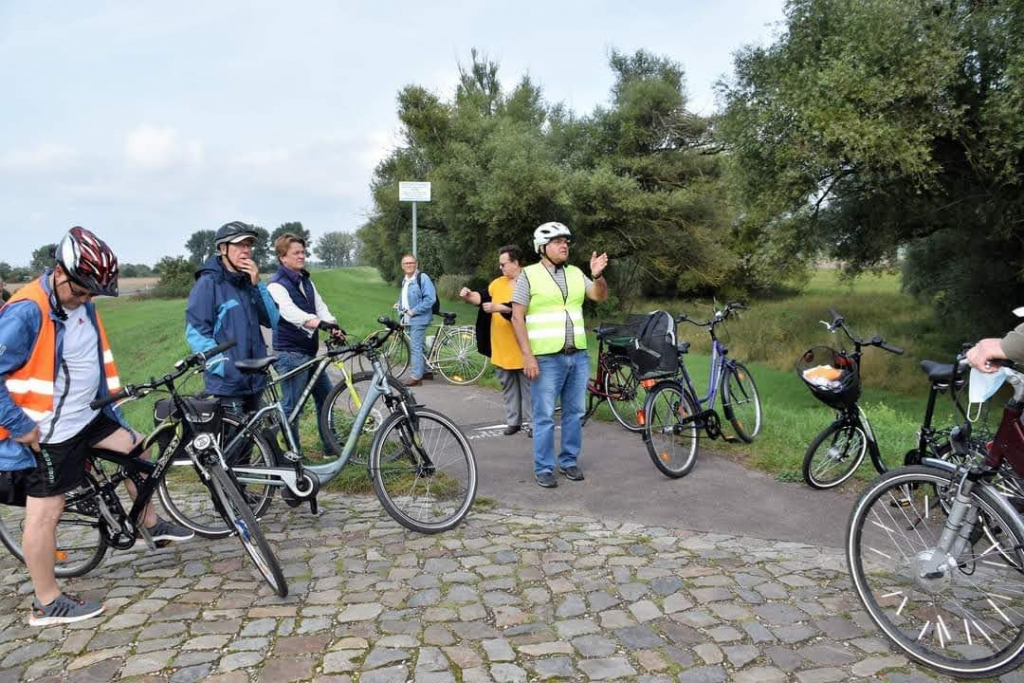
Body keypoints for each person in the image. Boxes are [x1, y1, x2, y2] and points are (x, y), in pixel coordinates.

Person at [0, 227, 193, 626]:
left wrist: (113, 407)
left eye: (94, 293)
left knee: (138, 447)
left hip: (88, 415)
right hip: (49, 430)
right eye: (81, 291)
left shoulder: (81, 304)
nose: (87, 299)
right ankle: (46, 602)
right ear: (59, 272)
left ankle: (149, 523)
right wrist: (19, 425)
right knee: (46, 512)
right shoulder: (26, 311)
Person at [511, 222, 608, 488]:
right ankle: (543, 467)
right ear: (542, 247)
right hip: (545, 358)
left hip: (577, 355)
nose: (564, 245)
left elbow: (599, 295)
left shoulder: (576, 273)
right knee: (544, 415)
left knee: (574, 413)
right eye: (557, 242)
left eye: (565, 241)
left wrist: (598, 276)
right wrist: (527, 356)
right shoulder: (528, 275)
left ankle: (568, 461)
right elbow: (517, 317)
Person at [186, 222, 279, 418]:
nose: (246, 250)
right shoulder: (208, 283)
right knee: (232, 436)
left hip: (255, 379)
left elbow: (273, 320)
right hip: (228, 383)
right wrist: (223, 366)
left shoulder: (248, 281)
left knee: (257, 435)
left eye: (249, 245)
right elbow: (196, 331)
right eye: (239, 245)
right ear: (223, 249)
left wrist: (258, 284)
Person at [267, 233, 345, 451]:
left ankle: (330, 447)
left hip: (309, 354)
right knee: (292, 407)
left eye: (303, 252)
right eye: (296, 253)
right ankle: (290, 455)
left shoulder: (306, 281)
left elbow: (320, 307)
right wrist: (320, 324)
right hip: (290, 354)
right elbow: (290, 312)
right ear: (283, 257)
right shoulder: (276, 285)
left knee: (326, 398)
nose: (302, 256)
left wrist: (333, 325)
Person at [460, 245, 531, 435]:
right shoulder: (498, 283)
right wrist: (469, 295)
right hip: (501, 347)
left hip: (524, 346)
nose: (501, 268)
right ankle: (513, 421)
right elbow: (481, 297)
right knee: (508, 386)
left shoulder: (529, 281)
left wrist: (500, 308)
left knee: (529, 389)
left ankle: (534, 423)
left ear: (516, 263)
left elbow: (527, 308)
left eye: (503, 264)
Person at [395, 254, 437, 387]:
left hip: (419, 318)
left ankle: (416, 377)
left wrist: (414, 311)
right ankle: (427, 371)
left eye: (412, 263)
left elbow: (430, 299)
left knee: (415, 347)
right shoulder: (406, 280)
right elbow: (404, 296)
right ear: (402, 266)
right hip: (408, 319)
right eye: (406, 263)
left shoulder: (422, 278)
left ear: (416, 264)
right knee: (420, 345)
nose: (409, 265)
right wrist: (399, 304)